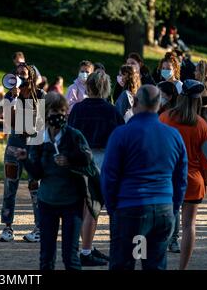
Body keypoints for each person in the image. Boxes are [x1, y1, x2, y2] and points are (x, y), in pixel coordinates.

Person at [101, 85, 188, 270]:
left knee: (123, 264)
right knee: (155, 265)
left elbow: (109, 177)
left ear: (136, 103)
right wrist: (173, 207)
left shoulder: (121, 134)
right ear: (158, 104)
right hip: (163, 208)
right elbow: (181, 179)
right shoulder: (173, 135)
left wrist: (112, 209)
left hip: (130, 208)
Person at [13, 92, 101, 270]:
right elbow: (36, 173)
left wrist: (70, 160)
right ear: (46, 114)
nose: (58, 115)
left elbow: (88, 161)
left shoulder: (74, 136)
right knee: (46, 255)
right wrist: (25, 160)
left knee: (70, 256)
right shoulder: (39, 139)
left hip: (72, 202)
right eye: (54, 111)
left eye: (62, 110)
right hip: (47, 202)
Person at [68, 71, 124, 266]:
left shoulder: (77, 110)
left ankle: (85, 247)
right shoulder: (111, 110)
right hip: (103, 160)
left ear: (88, 87)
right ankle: (86, 250)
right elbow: (120, 140)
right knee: (95, 209)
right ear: (106, 87)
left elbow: (69, 136)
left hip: (79, 160)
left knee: (83, 207)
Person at [160, 80, 207, 270]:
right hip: (193, 180)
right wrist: (204, 182)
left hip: (167, 179)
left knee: (163, 225)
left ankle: (158, 263)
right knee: (189, 225)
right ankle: (183, 267)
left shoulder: (164, 118)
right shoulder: (202, 125)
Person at [0, 63, 46, 243]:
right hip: (14, 146)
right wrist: (13, 100)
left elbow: (39, 125)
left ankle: (39, 227)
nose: (20, 76)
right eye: (17, 73)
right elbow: (10, 123)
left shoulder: (41, 95)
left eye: (23, 74)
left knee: (36, 188)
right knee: (9, 188)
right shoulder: (9, 95)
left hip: (34, 148)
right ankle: (7, 227)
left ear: (31, 76)